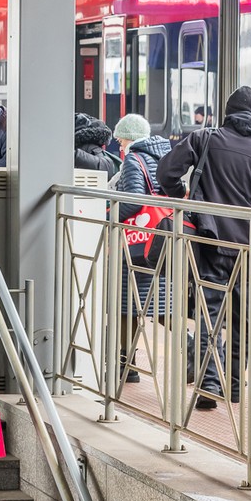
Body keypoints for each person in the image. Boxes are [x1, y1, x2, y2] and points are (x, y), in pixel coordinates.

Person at [158, 86, 251, 410]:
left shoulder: (205, 138)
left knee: (210, 314)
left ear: (228, 109)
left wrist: (180, 196)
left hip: (209, 241)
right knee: (242, 318)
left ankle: (209, 383)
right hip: (246, 246)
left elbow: (166, 171)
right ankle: (235, 386)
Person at [111, 114, 172, 385]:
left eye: (120, 139)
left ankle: (127, 365)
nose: (119, 145)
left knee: (126, 304)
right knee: (161, 307)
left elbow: (135, 200)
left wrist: (109, 213)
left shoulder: (133, 159)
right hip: (157, 242)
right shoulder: (163, 157)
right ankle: (194, 349)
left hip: (134, 243)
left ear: (129, 138)